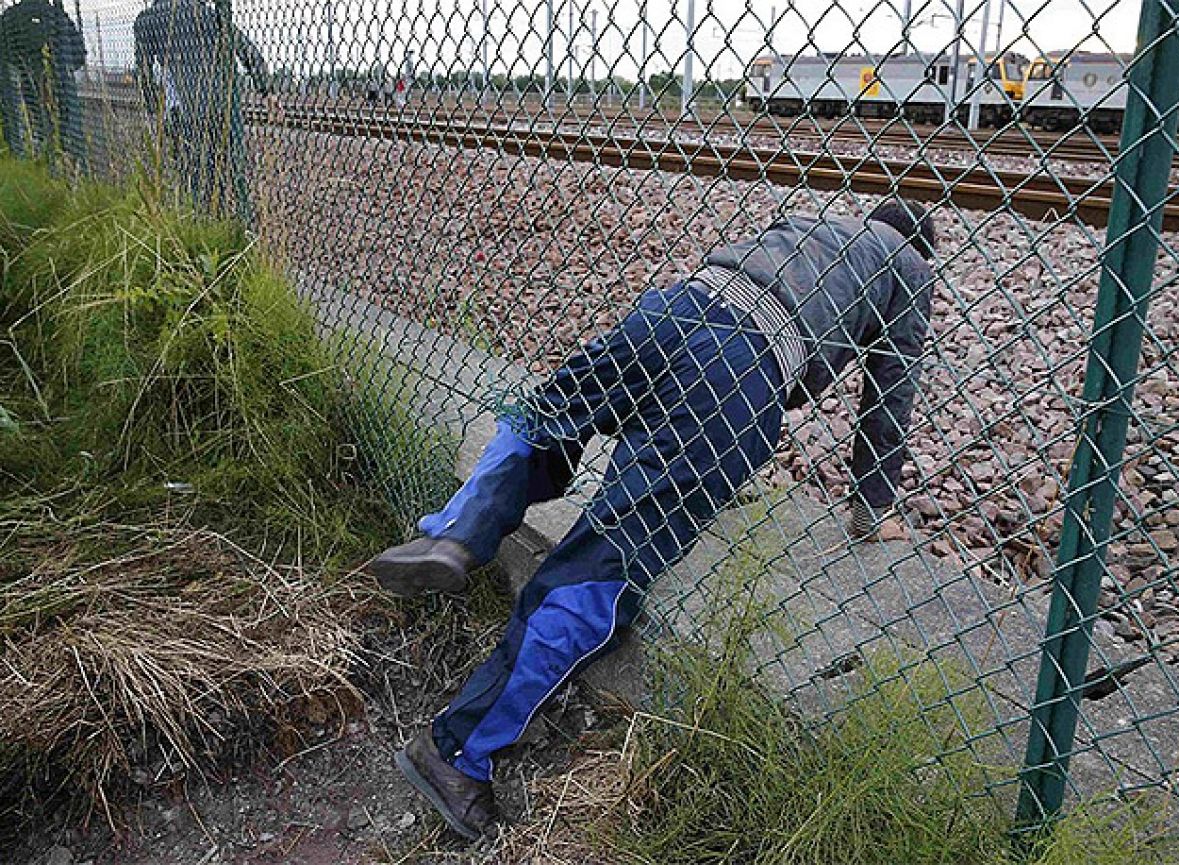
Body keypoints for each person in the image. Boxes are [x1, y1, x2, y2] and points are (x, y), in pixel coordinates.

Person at [370, 198, 938, 840]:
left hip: (672, 310)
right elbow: (891, 389)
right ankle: (455, 753)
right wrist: (871, 506)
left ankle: (455, 533)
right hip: (739, 368)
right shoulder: (909, 266)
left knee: (545, 418)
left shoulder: (816, 221)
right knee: (600, 572)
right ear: (920, 245)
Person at [132, 0, 269, 221]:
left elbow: (144, 73)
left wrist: (154, 110)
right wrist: (266, 88)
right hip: (220, 105)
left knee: (193, 172)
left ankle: (204, 220)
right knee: (229, 166)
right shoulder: (210, 14)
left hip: (183, 111)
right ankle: (238, 218)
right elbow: (245, 49)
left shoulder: (147, 20)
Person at [0, 0, 86, 165]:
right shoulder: (57, 15)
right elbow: (79, 53)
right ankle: (69, 163)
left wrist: (22, 69)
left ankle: (38, 158)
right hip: (60, 83)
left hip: (24, 83)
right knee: (66, 126)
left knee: (32, 124)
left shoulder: (8, 18)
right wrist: (62, 69)